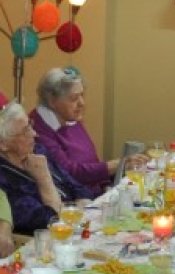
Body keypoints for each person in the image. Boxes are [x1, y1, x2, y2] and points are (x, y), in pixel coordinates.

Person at [30, 67, 134, 199]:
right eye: (74, 98)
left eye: (82, 95)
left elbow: (92, 160)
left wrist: (106, 186)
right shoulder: (38, 130)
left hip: (96, 196)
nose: (82, 103)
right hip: (75, 201)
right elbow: (69, 173)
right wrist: (118, 165)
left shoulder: (70, 118)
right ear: (52, 101)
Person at [0, 101, 85, 233]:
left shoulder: (38, 150)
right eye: (25, 131)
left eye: (30, 125)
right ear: (3, 144)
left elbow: (80, 188)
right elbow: (46, 221)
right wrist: (44, 179)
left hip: (75, 225)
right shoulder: (4, 179)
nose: (35, 133)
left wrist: (78, 204)